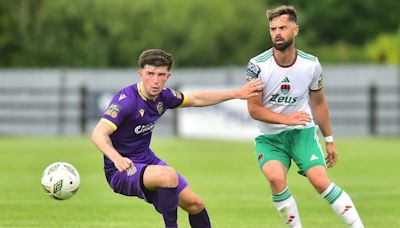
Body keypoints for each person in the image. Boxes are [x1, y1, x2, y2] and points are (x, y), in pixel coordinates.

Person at [91, 48, 263, 228]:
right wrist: (117, 158)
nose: (155, 80)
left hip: (146, 161)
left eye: (161, 75)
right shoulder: (126, 101)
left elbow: (196, 98)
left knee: (195, 204)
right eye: (150, 74)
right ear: (140, 73)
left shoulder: (164, 96)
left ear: (168, 76)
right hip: (121, 170)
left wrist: (236, 93)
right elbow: (98, 134)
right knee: (169, 175)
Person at [245, 5, 364, 228]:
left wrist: (329, 140)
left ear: (295, 30)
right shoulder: (257, 66)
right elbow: (254, 109)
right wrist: (286, 119)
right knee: (275, 178)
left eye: (282, 27)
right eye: (272, 29)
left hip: (302, 134)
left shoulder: (311, 65)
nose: (277, 33)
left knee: (321, 182)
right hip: (270, 138)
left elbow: (318, 103)